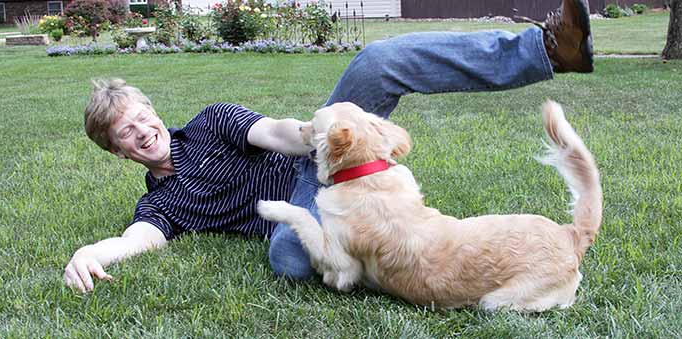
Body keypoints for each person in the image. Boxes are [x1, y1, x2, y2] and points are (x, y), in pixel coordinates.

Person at [64, 0, 594, 292]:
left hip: (316, 161)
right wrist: (89, 251)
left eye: (142, 118)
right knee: (288, 261)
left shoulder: (210, 122)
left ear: (154, 111)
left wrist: (327, 135)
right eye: (126, 133)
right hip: (303, 216)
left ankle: (546, 47)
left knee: (374, 63)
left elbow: (275, 132)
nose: (142, 132)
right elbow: (141, 238)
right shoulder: (159, 204)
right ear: (117, 151)